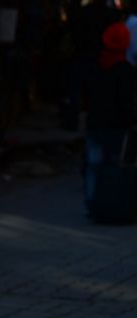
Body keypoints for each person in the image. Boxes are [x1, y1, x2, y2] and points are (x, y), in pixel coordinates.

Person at [83, 21, 136, 222]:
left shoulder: (96, 64)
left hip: (95, 122)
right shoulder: (124, 69)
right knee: (114, 165)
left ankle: (92, 204)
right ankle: (113, 205)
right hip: (116, 127)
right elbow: (125, 101)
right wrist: (131, 121)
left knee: (94, 166)